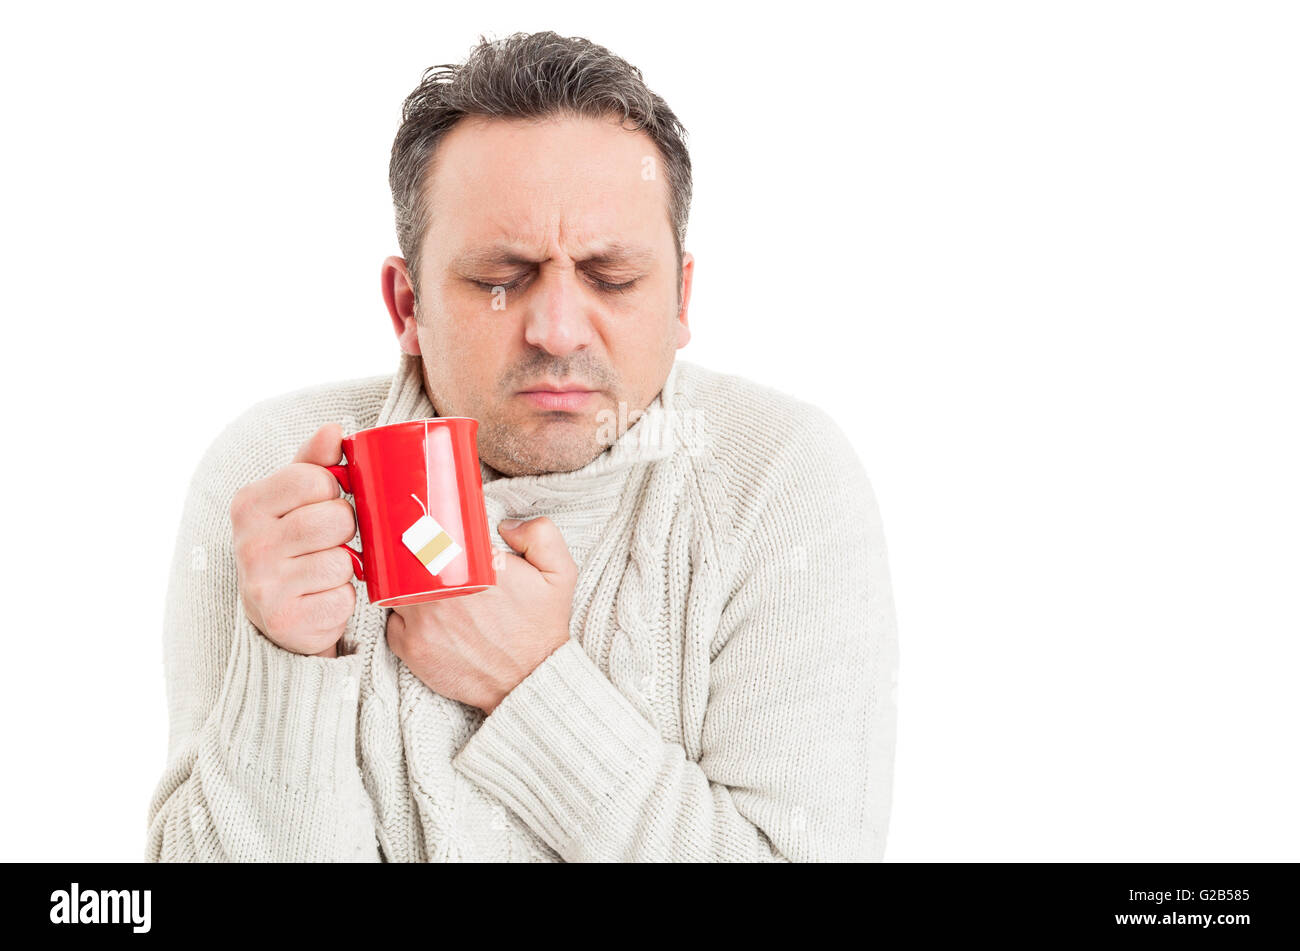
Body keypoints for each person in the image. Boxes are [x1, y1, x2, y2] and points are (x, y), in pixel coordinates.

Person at [145, 30, 899, 862]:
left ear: (681, 297)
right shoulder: (274, 481)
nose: (557, 329)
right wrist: (287, 665)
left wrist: (529, 683)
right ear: (407, 306)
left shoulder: (782, 481)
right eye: (500, 280)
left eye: (611, 277)